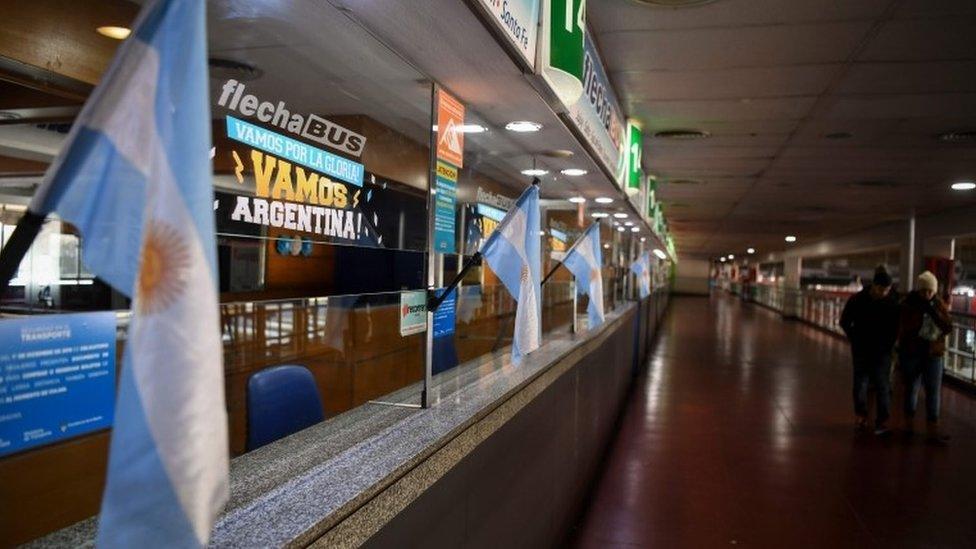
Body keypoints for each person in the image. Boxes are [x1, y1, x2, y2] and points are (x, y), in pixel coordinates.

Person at [839, 266, 899, 435]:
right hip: (862, 349)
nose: (884, 293)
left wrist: (890, 344)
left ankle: (882, 420)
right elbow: (844, 321)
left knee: (882, 386)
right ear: (874, 285)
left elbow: (896, 328)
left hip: (882, 352)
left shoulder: (892, 303)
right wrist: (855, 338)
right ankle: (861, 414)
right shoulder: (857, 300)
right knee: (860, 383)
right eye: (881, 289)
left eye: (887, 290)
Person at [897, 271, 953, 444]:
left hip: (933, 354)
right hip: (912, 353)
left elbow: (948, 326)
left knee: (933, 392)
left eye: (930, 291)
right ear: (919, 289)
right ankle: (909, 426)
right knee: (911, 388)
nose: (927, 294)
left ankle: (932, 430)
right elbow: (904, 327)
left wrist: (933, 313)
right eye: (924, 291)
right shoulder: (908, 304)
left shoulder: (938, 305)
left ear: (934, 291)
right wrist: (920, 315)